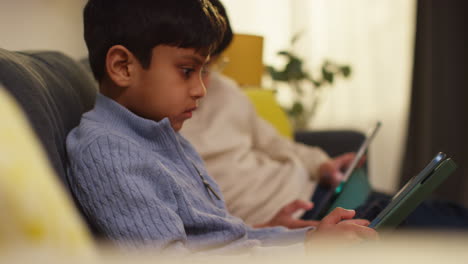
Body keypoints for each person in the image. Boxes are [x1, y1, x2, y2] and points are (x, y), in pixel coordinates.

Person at [66, 0, 377, 255]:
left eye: (204, 70)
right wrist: (304, 250)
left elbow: (228, 237)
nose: (202, 89)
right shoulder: (109, 151)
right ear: (123, 66)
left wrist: (306, 237)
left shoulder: (162, 132)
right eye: (187, 70)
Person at [181, 1, 468, 230]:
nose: (205, 83)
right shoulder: (164, 123)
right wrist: (263, 231)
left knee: (437, 210)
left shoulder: (227, 90)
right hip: (293, 219)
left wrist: (322, 166)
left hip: (317, 193)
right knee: (436, 224)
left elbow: (279, 145)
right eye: (192, 68)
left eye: (214, 64)